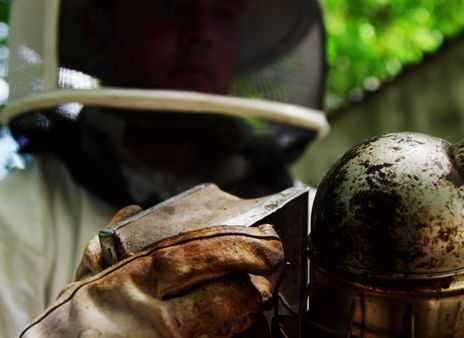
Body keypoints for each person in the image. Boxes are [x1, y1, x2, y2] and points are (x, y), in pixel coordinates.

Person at [0, 0, 328, 336]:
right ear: (100, 28)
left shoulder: (324, 223)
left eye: (222, 13)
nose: (201, 33)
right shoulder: (14, 214)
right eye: (172, 5)